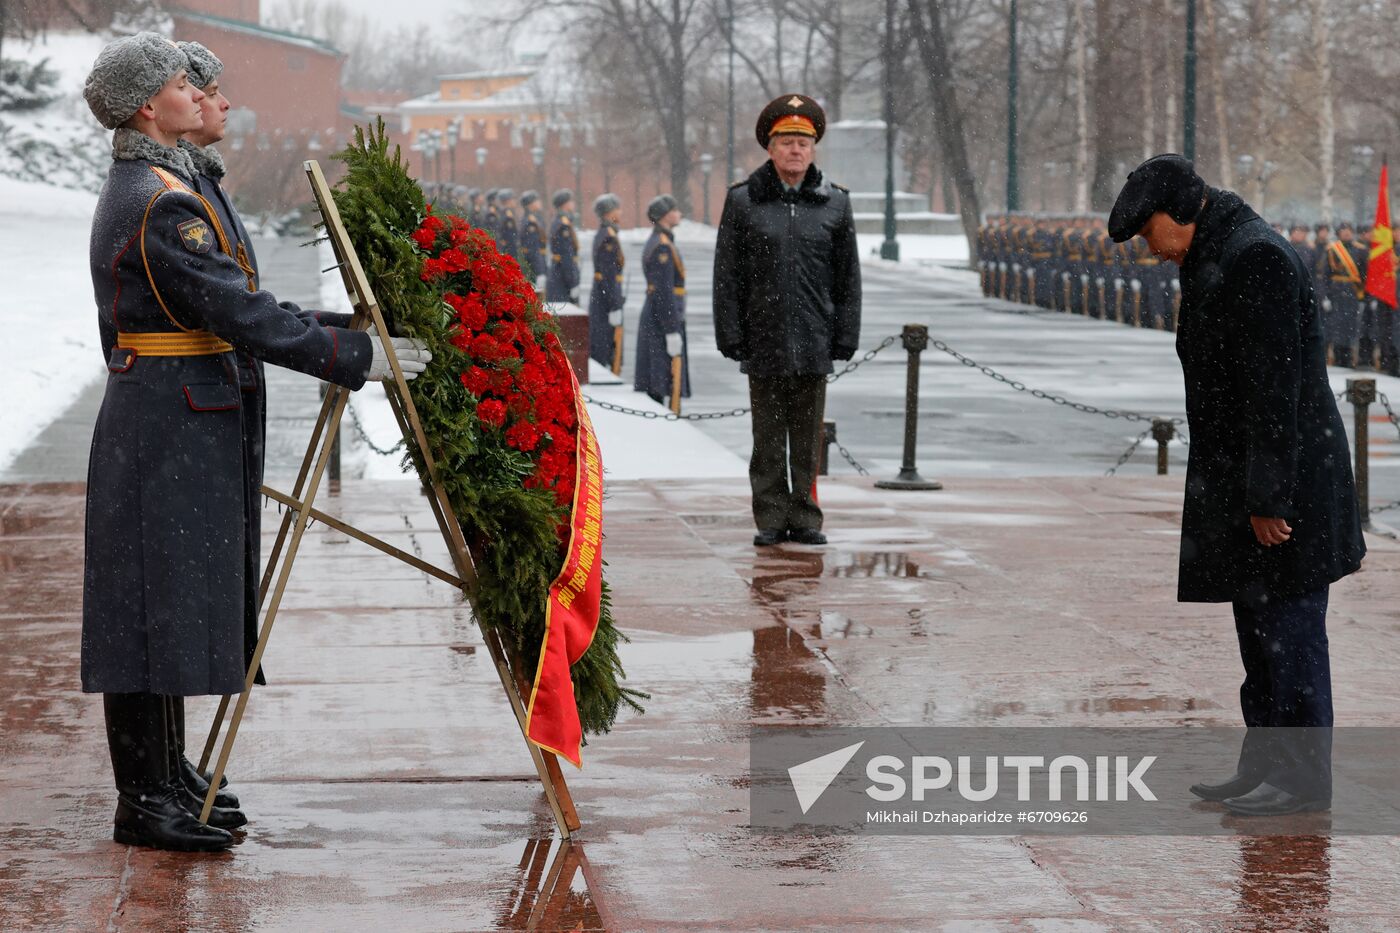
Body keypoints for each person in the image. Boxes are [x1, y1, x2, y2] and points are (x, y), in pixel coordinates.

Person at [81, 33, 430, 852]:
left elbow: (239, 297)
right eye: (181, 83)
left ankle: (165, 774)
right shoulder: (156, 198)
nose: (205, 96)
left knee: (163, 601)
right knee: (145, 609)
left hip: (174, 411)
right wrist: (352, 357)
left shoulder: (167, 182)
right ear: (146, 106)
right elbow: (235, 311)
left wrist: (344, 331)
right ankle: (144, 796)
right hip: (166, 416)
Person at [1110, 154, 1364, 817]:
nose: (1147, 247)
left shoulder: (1256, 258)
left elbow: (1273, 391)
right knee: (1259, 632)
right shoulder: (1214, 252)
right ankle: (1265, 767)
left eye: (1148, 231)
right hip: (1252, 480)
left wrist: (1268, 497)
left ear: (1180, 213)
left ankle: (1303, 779)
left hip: (1289, 487)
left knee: (1292, 632)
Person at [713, 93, 860, 547]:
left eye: (803, 141)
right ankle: (771, 516)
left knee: (809, 434)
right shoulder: (744, 202)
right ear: (770, 149)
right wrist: (732, 334)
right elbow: (727, 275)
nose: (795, 150)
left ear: (813, 149)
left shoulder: (834, 204)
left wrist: (845, 334)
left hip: (815, 336)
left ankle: (807, 516)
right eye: (786, 142)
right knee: (769, 435)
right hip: (765, 335)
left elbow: (847, 277)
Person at [634, 194, 689, 406]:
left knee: (660, 380)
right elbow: (664, 293)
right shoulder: (663, 246)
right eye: (675, 210)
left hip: (658, 317)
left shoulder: (661, 241)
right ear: (665, 216)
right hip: (661, 321)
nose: (679, 213)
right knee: (659, 382)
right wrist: (671, 329)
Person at [588, 193, 625, 368]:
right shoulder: (608, 236)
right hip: (605, 300)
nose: (620, 212)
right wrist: (615, 304)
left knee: (603, 341)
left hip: (602, 297)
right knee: (604, 344)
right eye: (617, 209)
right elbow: (608, 275)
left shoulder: (606, 233)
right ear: (609, 213)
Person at [1322, 222, 1364, 366]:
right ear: (1339, 233)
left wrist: (1365, 295)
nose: (1346, 233)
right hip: (1337, 292)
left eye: (1349, 230)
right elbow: (1326, 275)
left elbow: (1364, 274)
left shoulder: (1360, 250)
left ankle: (1348, 358)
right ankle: (1338, 357)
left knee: (1351, 325)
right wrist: (1325, 296)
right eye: (1343, 230)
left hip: (1353, 291)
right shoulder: (1332, 250)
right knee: (1337, 326)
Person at [546, 188, 580, 304]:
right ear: (565, 204)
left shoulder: (560, 221)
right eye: (571, 201)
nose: (573, 204)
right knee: (565, 318)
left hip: (559, 275)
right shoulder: (563, 225)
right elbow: (566, 255)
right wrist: (573, 282)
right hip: (562, 278)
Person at [518, 190, 547, 288]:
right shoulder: (530, 221)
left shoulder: (536, 217)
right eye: (536, 201)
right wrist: (540, 271)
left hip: (538, 261)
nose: (539, 203)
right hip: (533, 265)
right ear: (530, 204)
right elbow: (533, 248)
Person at [496, 188, 519, 260]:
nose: (515, 201)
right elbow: (507, 234)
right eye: (513, 199)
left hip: (510, 248)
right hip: (509, 250)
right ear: (508, 201)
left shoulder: (509, 213)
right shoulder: (506, 215)